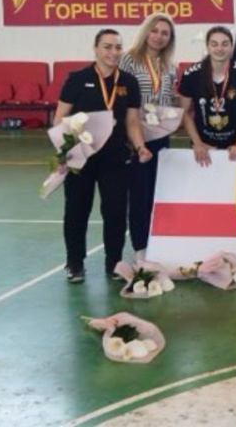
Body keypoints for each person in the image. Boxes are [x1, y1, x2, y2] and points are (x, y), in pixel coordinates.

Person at [56, 30, 152, 283]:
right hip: (81, 158)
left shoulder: (129, 82)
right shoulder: (77, 79)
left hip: (115, 158)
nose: (113, 52)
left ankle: (114, 263)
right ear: (96, 48)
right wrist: (65, 151)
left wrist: (140, 146)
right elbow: (59, 119)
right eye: (107, 47)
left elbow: (132, 121)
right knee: (77, 211)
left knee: (115, 212)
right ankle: (74, 263)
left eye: (118, 47)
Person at [119, 12, 177, 261]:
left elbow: (168, 100)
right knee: (139, 193)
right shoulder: (129, 60)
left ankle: (157, 243)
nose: (159, 37)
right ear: (146, 32)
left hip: (160, 137)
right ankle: (140, 247)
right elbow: (119, 97)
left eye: (165, 33)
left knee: (156, 191)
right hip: (136, 137)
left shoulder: (170, 65)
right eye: (154, 31)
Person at [178, 27, 236, 166]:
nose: (219, 49)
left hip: (234, 146)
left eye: (225, 44)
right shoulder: (191, 74)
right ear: (207, 46)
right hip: (203, 145)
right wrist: (197, 143)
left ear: (231, 46)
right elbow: (185, 112)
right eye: (214, 44)